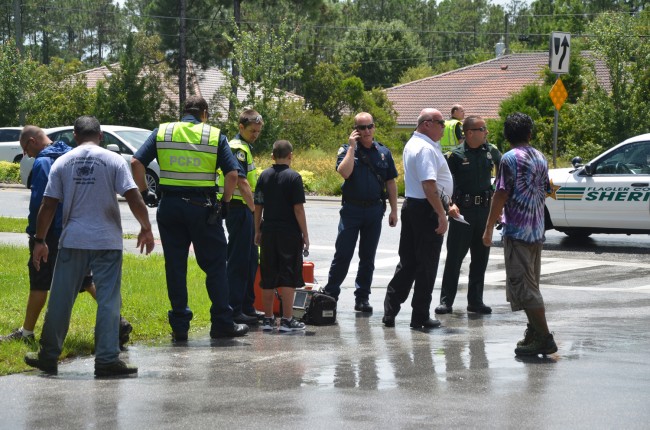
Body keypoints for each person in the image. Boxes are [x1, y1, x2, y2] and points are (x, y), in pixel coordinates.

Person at [24, 116, 154, 377]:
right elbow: (133, 196)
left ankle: (48, 357)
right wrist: (146, 228)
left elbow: (47, 205)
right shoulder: (113, 160)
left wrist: (40, 241)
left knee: (61, 298)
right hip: (107, 241)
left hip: (73, 240)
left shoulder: (63, 161)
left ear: (74, 135)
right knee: (108, 301)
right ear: (101, 135)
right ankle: (106, 360)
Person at [1, 126, 132, 351]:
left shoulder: (43, 163)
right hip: (74, 232)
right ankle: (118, 321)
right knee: (85, 280)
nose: (27, 155)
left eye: (25, 150)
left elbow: (43, 203)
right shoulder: (70, 156)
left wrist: (37, 235)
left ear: (32, 141)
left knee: (40, 281)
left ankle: (29, 333)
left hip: (50, 233)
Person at [131, 95, 249, 341]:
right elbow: (232, 174)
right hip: (203, 208)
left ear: (182, 112)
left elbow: (136, 162)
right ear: (204, 113)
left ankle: (180, 327)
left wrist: (145, 192)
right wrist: (225, 203)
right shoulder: (214, 135)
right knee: (216, 265)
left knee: (175, 267)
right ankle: (222, 323)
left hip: (170, 207)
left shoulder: (163, 132)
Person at [482, 112, 557, 356]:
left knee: (525, 288)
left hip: (518, 233)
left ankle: (545, 337)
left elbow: (501, 194)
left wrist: (488, 227)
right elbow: (545, 189)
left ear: (506, 134)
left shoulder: (508, 159)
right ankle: (533, 332)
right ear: (529, 133)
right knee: (530, 284)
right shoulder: (540, 156)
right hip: (536, 231)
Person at [382, 108, 453, 329]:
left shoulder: (416, 143)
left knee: (409, 262)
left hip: (415, 206)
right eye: (441, 123)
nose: (444, 127)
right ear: (427, 124)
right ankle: (420, 316)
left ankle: (391, 310)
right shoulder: (424, 148)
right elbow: (428, 184)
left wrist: (448, 204)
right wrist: (441, 214)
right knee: (426, 265)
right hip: (425, 210)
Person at [322, 112, 398, 313]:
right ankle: (331, 295)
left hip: (374, 210)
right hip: (352, 210)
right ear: (355, 130)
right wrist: (352, 147)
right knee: (343, 254)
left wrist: (394, 211)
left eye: (369, 126)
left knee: (368, 257)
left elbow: (390, 182)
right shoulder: (347, 150)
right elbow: (344, 172)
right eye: (361, 128)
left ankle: (362, 297)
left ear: (374, 127)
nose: (366, 131)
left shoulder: (383, 152)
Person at [435, 116, 502, 315]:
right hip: (462, 213)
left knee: (480, 258)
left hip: (484, 212)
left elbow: (504, 172)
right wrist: (449, 205)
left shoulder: (490, 151)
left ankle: (475, 301)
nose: (486, 132)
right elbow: (442, 183)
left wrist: (498, 200)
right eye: (483, 129)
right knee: (455, 259)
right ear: (470, 133)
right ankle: (446, 301)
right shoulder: (454, 156)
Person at [253, 140, 309, 332]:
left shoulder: (264, 176)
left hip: (268, 230)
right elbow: (298, 209)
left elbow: (258, 206)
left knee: (267, 275)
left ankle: (268, 319)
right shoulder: (294, 178)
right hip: (289, 233)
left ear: (272, 156)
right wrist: (305, 235)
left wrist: (257, 230)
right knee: (288, 276)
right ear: (290, 155)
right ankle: (286, 320)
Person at [217, 109, 264, 325]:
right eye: (252, 131)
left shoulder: (245, 147)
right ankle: (235, 309)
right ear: (241, 127)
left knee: (250, 260)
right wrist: (256, 210)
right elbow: (242, 182)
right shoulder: (238, 148)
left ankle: (247, 306)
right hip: (240, 209)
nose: (255, 134)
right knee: (238, 261)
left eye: (258, 131)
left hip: (245, 209)